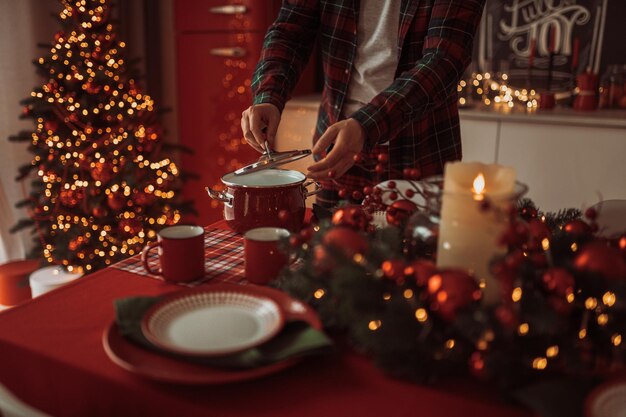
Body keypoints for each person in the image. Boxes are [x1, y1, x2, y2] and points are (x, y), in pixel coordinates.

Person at [241, 0, 486, 208]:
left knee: (417, 259)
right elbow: (290, 31)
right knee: (329, 259)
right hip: (336, 151)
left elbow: (444, 59)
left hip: (421, 151)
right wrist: (269, 94)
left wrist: (365, 125)